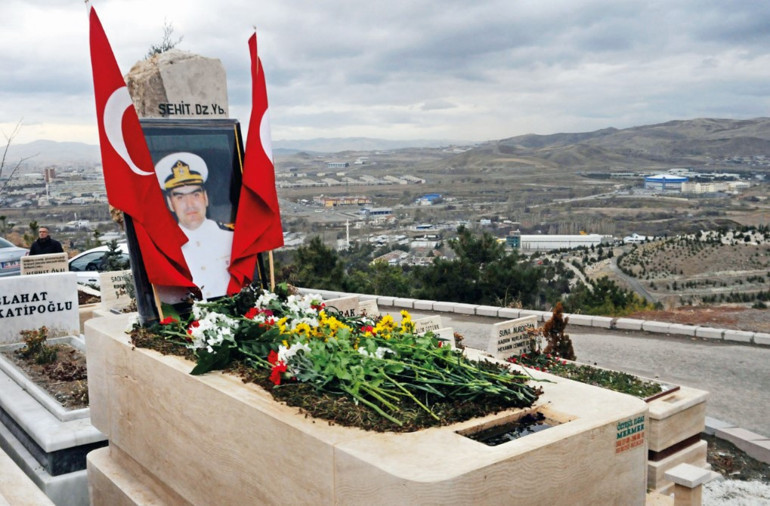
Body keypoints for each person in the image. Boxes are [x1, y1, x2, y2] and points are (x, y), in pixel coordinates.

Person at [154, 152, 233, 300]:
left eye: (195, 195)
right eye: (180, 197)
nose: (190, 204)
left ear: (206, 197)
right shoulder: (163, 249)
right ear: (171, 203)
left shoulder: (231, 236)